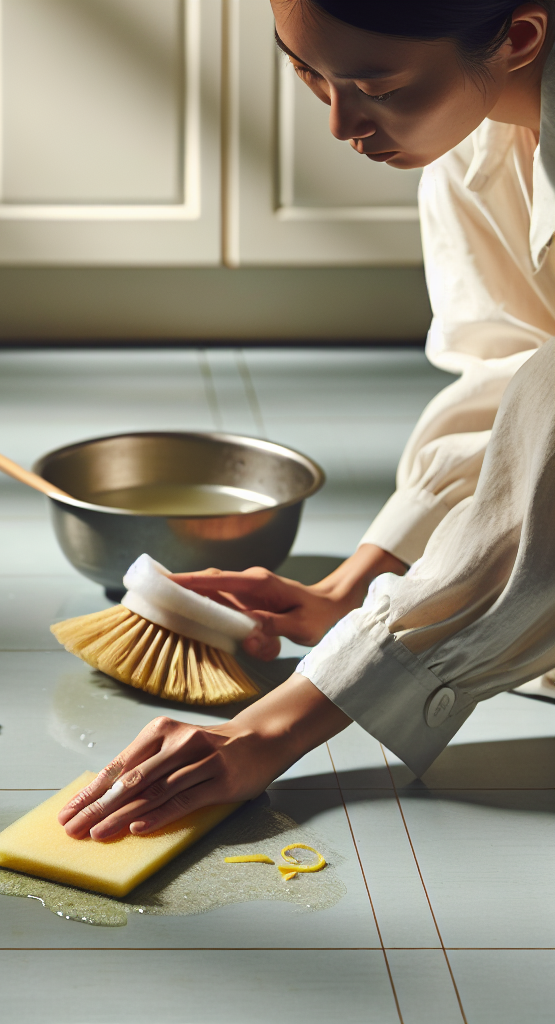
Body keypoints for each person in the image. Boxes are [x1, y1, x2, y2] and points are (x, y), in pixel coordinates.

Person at [60, 0, 555, 842]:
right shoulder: (475, 136)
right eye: (307, 71)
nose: (339, 123)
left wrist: (276, 724)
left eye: (378, 87)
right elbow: (512, 369)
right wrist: (353, 587)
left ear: (518, 37)